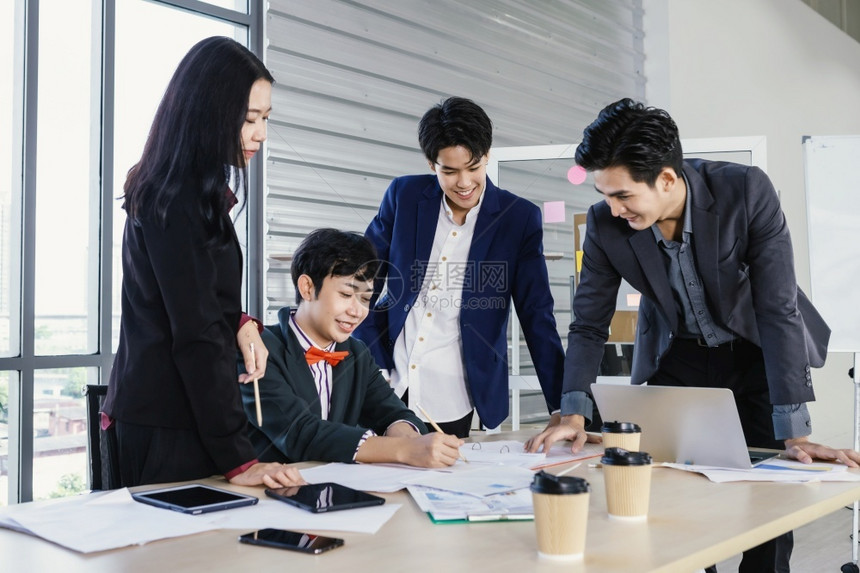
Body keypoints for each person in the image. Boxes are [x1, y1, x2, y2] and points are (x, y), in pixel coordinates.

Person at [526, 98, 860, 572]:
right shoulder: (606, 225)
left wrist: (795, 430)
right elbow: (588, 323)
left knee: (770, 498)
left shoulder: (744, 191)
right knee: (664, 486)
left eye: (622, 196)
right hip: (681, 353)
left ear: (666, 178)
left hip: (755, 350)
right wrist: (574, 411)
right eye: (605, 195)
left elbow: (777, 306)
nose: (612, 209)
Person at [103, 36, 304, 489]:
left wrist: (241, 322)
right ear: (208, 113)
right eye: (249, 119)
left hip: (178, 415)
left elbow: (199, 296)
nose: (261, 134)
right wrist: (240, 460)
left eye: (266, 118)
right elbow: (194, 333)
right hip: (164, 423)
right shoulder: (176, 200)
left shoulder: (196, 192)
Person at [353, 96, 565, 438]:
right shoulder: (404, 196)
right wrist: (371, 359)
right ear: (431, 163)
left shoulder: (519, 218)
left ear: (487, 154)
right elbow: (364, 280)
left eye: (474, 167)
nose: (464, 182)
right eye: (449, 171)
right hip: (390, 383)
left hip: (454, 394)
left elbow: (537, 315)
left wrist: (561, 406)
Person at [238, 228, 463, 467]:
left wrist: (410, 438)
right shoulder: (259, 348)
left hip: (331, 489)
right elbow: (299, 434)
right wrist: (403, 449)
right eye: (346, 294)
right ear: (307, 287)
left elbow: (393, 413)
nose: (357, 312)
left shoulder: (356, 353)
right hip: (267, 493)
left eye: (365, 299)